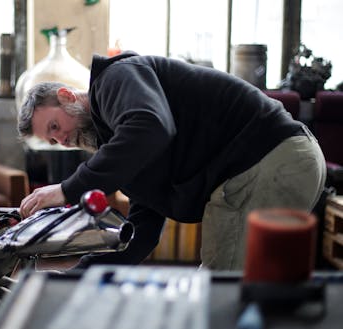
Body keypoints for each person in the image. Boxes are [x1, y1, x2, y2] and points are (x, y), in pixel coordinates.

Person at [17, 51, 326, 270]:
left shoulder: (115, 78)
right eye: (52, 140)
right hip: (287, 161)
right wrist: (74, 277)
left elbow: (151, 128)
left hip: (267, 158)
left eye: (55, 127)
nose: (62, 141)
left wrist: (66, 190)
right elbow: (142, 233)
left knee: (217, 294)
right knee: (247, 291)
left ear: (67, 96)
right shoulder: (122, 144)